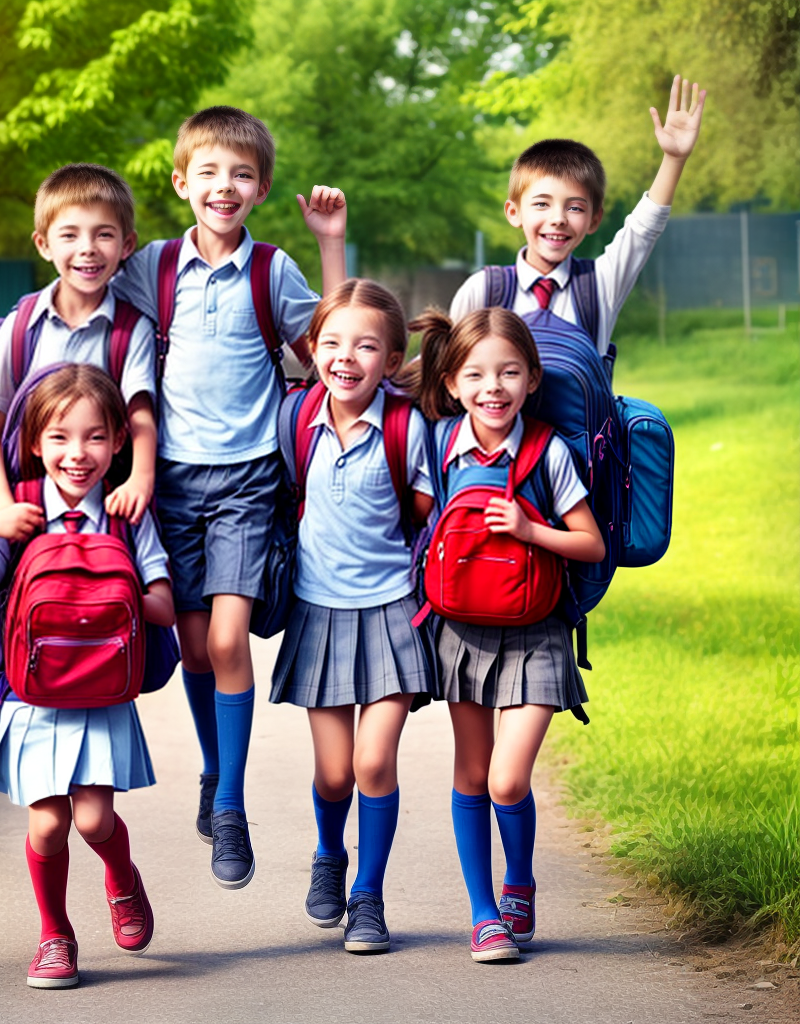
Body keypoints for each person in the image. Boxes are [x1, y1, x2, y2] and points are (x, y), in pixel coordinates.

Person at [109, 105, 348, 888]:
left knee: (227, 640)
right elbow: (89, 288)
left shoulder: (270, 270)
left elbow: (332, 343)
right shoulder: (153, 265)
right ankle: (214, 773)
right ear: (181, 182)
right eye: (208, 172)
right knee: (192, 645)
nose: (225, 186)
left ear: (262, 189)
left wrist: (330, 244)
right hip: (171, 481)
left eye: (242, 175)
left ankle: (233, 805)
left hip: (249, 478)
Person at [0, 364, 175, 989]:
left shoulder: (125, 514)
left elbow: (163, 605)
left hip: (100, 691)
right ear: (35, 442)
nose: (78, 453)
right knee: (47, 825)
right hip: (33, 694)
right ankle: (55, 934)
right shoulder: (17, 509)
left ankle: (121, 879)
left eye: (95, 437)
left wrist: (106, 588)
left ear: (119, 441)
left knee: (94, 821)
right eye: (60, 437)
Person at [408, 307, 606, 963]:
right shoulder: (440, 445)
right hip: (461, 632)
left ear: (532, 378)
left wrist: (529, 530)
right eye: (475, 374)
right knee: (471, 774)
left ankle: (519, 880)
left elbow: (590, 543)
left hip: (536, 634)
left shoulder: (548, 451)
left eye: (509, 372)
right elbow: (414, 524)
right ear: (452, 382)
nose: (493, 387)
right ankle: (484, 913)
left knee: (506, 780)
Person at [271, 279, 435, 954]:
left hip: (392, 613)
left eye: (366, 346)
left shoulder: (406, 427)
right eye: (332, 342)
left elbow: (423, 512)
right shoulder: (295, 418)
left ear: (392, 360)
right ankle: (330, 853)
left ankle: (368, 896)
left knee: (373, 764)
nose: (346, 356)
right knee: (335, 773)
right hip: (320, 615)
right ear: (311, 348)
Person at [450, 75, 707, 353]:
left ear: (594, 219)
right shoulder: (484, 290)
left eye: (574, 208)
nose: (558, 218)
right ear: (514, 212)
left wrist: (674, 159)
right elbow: (443, 366)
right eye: (542, 204)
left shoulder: (600, 285)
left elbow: (642, 231)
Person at [0, 163, 158, 525]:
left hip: (103, 513)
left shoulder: (131, 330)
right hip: (25, 508)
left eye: (104, 235)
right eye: (69, 235)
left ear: (127, 245)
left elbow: (140, 417)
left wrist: (140, 478)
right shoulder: (22, 326)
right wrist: (4, 506)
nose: (87, 249)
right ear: (44, 245)